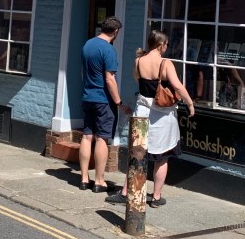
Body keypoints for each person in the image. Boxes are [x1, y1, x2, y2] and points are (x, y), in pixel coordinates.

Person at [106, 30, 198, 207]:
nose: (167, 47)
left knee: (137, 154)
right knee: (162, 156)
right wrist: (190, 103)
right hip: (161, 116)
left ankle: (126, 192)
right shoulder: (165, 63)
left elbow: (137, 78)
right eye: (167, 44)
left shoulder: (139, 61)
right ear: (161, 44)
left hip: (142, 111)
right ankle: (156, 197)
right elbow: (177, 86)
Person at [78, 17, 128, 192]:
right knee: (102, 138)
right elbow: (110, 79)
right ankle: (99, 181)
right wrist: (119, 102)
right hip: (103, 100)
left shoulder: (87, 44)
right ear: (115, 32)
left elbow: (83, 72)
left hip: (87, 96)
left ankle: (84, 178)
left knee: (86, 136)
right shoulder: (109, 50)